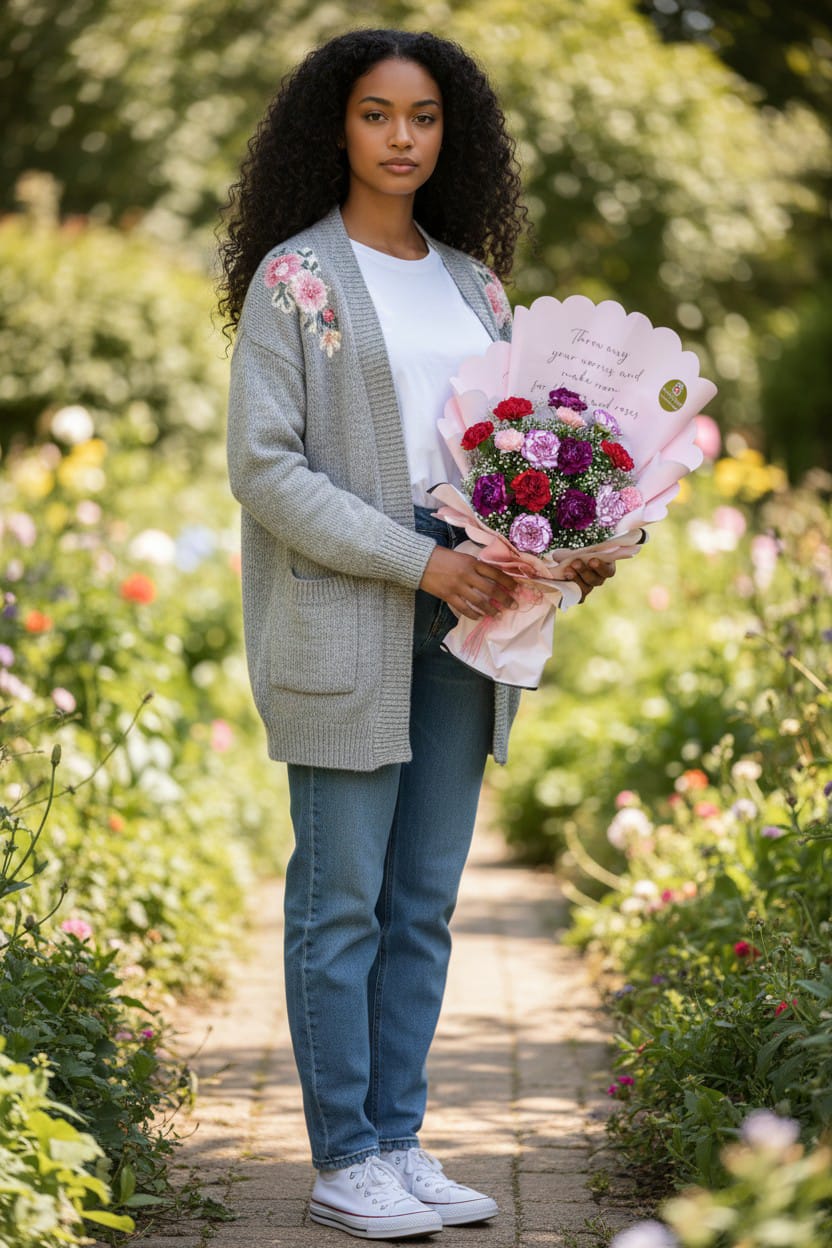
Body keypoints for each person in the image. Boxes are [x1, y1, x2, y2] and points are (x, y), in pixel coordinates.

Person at [219, 28, 615, 1240]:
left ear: (455, 134)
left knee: (425, 896)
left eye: (426, 116)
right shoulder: (294, 280)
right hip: (353, 605)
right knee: (341, 894)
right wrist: (420, 560)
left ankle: (397, 1141)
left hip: (468, 614)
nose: (402, 138)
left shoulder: (475, 285)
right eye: (378, 114)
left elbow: (504, 461)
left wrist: (566, 544)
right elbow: (265, 471)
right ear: (334, 126)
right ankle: (344, 1158)